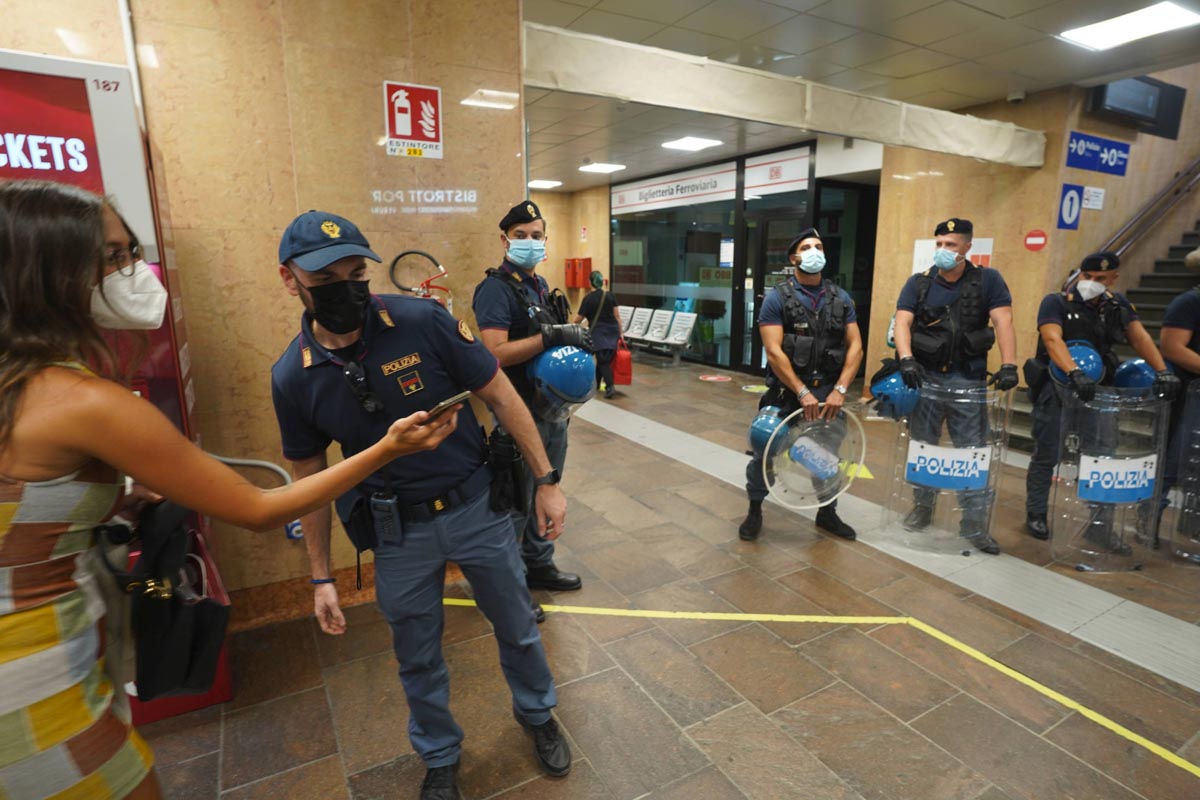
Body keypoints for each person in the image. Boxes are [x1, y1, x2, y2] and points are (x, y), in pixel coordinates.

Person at [0, 181, 457, 800]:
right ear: (50, 273)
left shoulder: (18, 382)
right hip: (34, 685)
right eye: (113, 257)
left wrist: (108, 501)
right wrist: (386, 449)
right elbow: (260, 509)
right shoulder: (85, 401)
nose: (135, 271)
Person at [270, 210, 573, 799]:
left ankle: (537, 714)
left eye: (357, 272)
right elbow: (307, 480)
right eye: (327, 278)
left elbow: (500, 393)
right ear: (290, 281)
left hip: (476, 510)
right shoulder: (293, 376)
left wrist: (547, 479)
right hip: (396, 533)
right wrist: (319, 577)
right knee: (416, 654)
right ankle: (439, 754)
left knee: (517, 625)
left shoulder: (421, 321)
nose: (347, 288)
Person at [1024, 251, 1179, 545]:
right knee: (1047, 454)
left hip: (1100, 393)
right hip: (1058, 388)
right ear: (1079, 274)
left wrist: (1162, 371)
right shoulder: (1056, 302)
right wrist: (1074, 372)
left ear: (1113, 279)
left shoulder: (1116, 306)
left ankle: (1100, 526)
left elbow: (1140, 337)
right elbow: (1052, 339)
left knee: (1101, 457)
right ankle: (1036, 513)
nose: (1091, 283)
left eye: (1099, 279)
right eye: (1087, 276)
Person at [472, 201, 589, 593]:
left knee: (547, 486)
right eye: (520, 236)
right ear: (505, 241)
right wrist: (551, 337)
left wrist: (573, 336)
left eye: (536, 236)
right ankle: (511, 586)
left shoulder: (538, 286)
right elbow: (493, 354)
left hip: (551, 410)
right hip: (517, 410)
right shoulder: (494, 289)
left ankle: (538, 565)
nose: (529, 243)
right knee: (518, 501)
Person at [893, 217, 1018, 555]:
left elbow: (1003, 319)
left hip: (968, 379)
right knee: (923, 445)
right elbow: (902, 321)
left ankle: (974, 522)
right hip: (927, 377)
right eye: (939, 244)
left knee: (971, 451)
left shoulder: (987, 280)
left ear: (967, 247)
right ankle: (923, 506)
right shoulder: (919, 284)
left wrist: (1009, 364)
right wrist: (906, 359)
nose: (943, 250)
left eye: (950, 244)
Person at [737, 227, 863, 542]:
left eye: (819, 246)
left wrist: (841, 390)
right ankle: (754, 511)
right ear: (795, 258)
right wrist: (801, 391)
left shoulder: (840, 298)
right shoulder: (778, 298)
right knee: (765, 451)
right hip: (786, 393)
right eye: (807, 247)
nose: (814, 251)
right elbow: (774, 352)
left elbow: (856, 347)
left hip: (829, 395)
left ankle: (827, 513)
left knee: (828, 457)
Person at [573, 269, 623, 398]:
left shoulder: (588, 299)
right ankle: (596, 384)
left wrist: (570, 325)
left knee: (603, 360)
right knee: (603, 359)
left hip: (598, 333)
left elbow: (579, 318)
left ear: (590, 282)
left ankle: (610, 386)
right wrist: (621, 333)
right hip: (612, 331)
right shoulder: (610, 296)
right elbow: (617, 316)